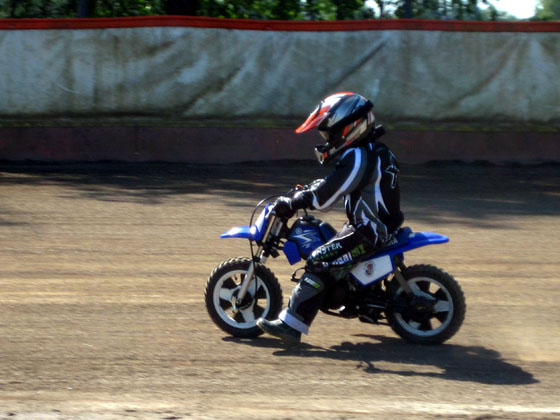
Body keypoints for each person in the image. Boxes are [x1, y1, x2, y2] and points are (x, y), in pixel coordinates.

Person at [256, 92, 404, 345]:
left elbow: (325, 198)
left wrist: (294, 202)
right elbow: (336, 183)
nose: (327, 140)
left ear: (349, 128)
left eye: (330, 134)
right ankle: (352, 291)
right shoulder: (374, 150)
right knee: (322, 233)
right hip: (374, 226)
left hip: (369, 231)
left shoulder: (358, 156)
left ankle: (291, 325)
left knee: (318, 259)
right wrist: (308, 190)